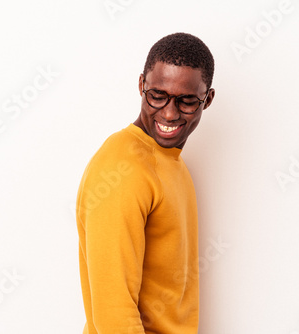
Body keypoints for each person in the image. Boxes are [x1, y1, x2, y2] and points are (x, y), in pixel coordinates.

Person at [76, 32, 216, 334]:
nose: (168, 112)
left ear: (208, 100)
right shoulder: (122, 168)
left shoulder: (171, 163)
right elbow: (113, 313)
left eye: (187, 101)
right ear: (141, 85)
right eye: (157, 95)